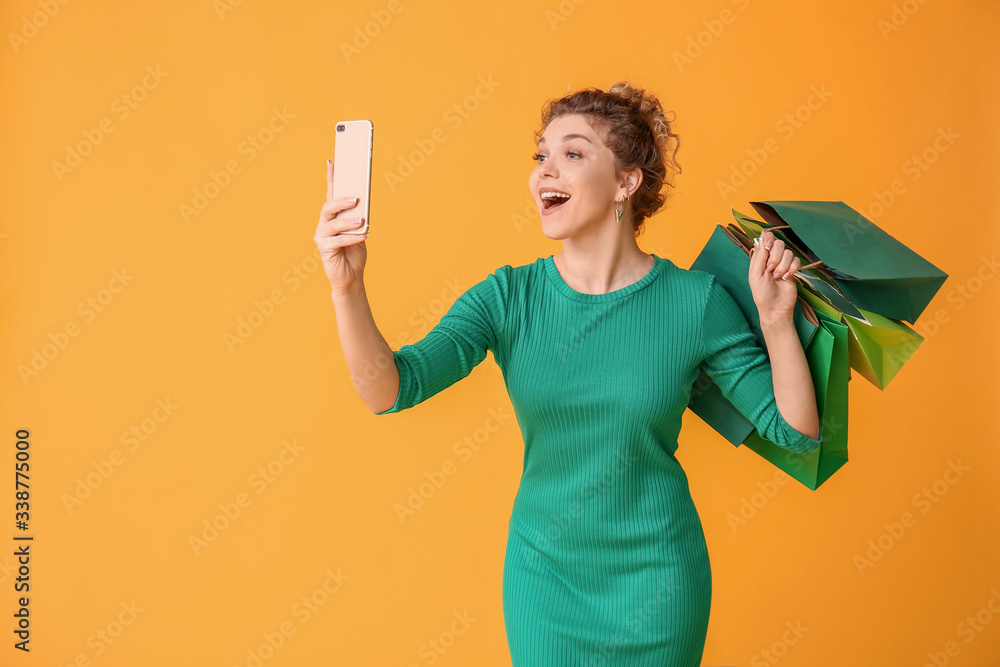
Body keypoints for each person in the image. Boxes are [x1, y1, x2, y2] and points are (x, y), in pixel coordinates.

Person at [314, 81, 821, 666]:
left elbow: (796, 432)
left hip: (657, 585)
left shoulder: (695, 302)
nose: (545, 172)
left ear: (626, 182)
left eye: (572, 154)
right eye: (541, 156)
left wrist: (778, 319)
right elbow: (390, 389)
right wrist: (346, 287)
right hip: (544, 582)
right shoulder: (509, 297)